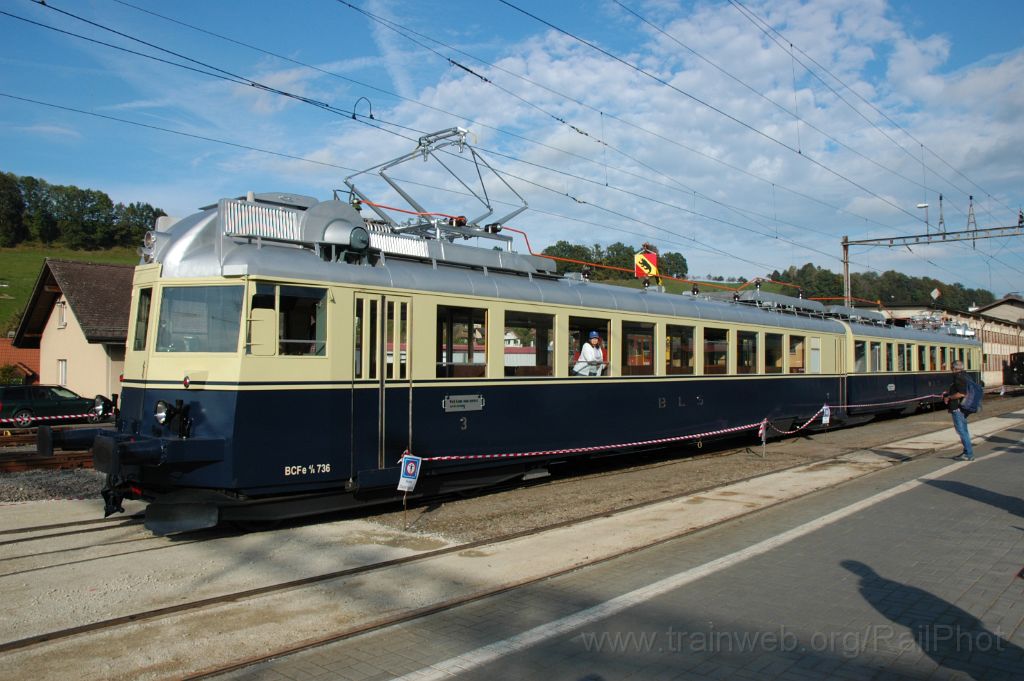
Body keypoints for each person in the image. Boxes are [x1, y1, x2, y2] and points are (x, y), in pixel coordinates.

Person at [943, 359, 974, 461]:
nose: (951, 370)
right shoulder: (966, 375)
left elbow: (962, 393)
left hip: (958, 408)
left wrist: (949, 397)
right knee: (964, 430)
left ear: (955, 368)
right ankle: (966, 452)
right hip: (964, 408)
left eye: (952, 368)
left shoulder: (958, 377)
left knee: (961, 431)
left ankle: (968, 454)